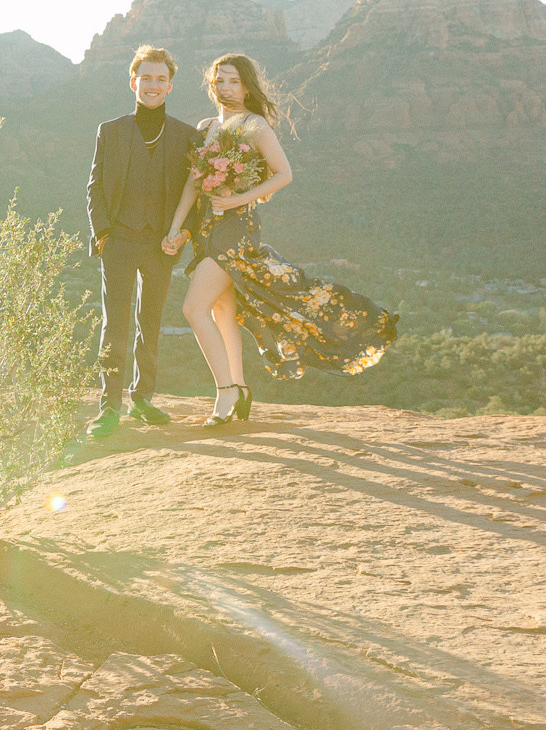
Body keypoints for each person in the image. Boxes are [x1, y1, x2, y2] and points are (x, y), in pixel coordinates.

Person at [162, 53, 398, 426]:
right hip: (205, 231)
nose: (226, 88)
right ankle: (239, 388)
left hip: (234, 229)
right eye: (220, 80)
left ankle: (225, 391)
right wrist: (176, 228)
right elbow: (193, 184)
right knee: (223, 311)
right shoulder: (206, 126)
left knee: (194, 309)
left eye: (234, 82)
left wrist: (237, 199)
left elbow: (283, 174)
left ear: (246, 87)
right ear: (211, 84)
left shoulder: (254, 125)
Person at [85, 45, 201, 439]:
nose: (153, 84)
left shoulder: (187, 136)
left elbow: (195, 194)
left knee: (149, 323)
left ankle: (142, 399)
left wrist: (183, 235)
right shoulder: (110, 130)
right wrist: (103, 235)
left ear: (170, 86)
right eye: (146, 77)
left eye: (160, 79)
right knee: (114, 325)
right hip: (118, 241)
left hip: (160, 245)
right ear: (133, 82)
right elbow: (94, 188)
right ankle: (109, 407)